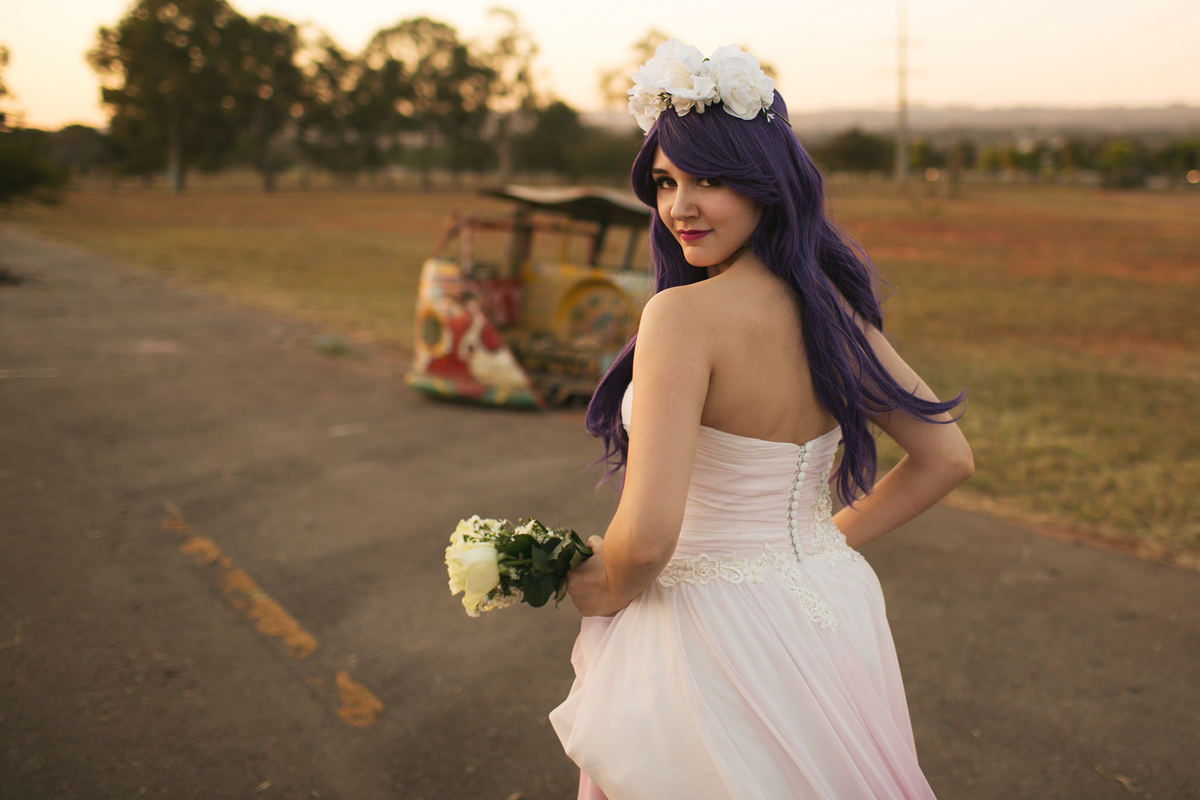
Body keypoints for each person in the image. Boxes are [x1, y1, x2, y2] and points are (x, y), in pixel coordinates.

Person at [548, 41, 973, 800]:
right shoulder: (836, 315)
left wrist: (605, 585)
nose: (679, 206)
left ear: (766, 185)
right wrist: (816, 549)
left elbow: (646, 540)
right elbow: (947, 458)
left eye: (709, 180)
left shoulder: (682, 317)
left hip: (705, 627)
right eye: (666, 181)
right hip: (830, 605)